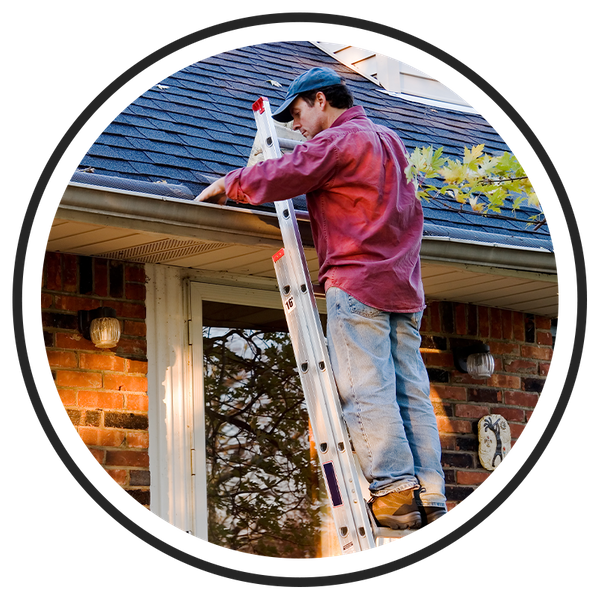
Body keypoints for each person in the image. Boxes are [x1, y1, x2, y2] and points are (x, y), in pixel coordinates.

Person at [196, 67, 447, 530]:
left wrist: (231, 183)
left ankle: (393, 492)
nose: (294, 127)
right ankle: (429, 493)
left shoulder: (340, 141)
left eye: (296, 113)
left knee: (366, 388)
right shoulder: (390, 141)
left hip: (359, 284)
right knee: (410, 391)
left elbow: (290, 171)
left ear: (319, 100)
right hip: (404, 288)